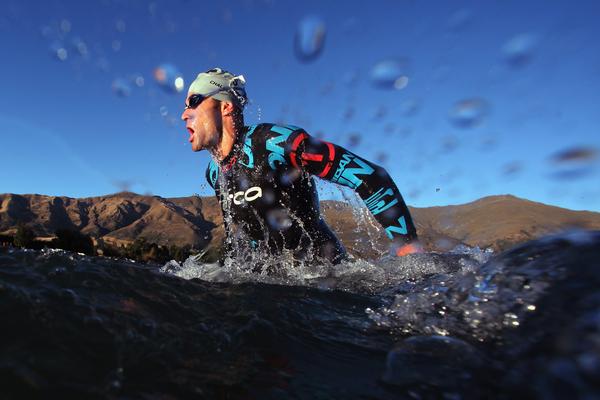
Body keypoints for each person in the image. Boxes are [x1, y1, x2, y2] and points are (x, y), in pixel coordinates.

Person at [181, 67, 422, 264]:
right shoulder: (214, 173)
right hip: (272, 287)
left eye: (193, 102)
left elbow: (370, 177)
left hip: (327, 280)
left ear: (225, 106)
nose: (184, 115)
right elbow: (240, 240)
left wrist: (408, 249)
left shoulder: (277, 143)